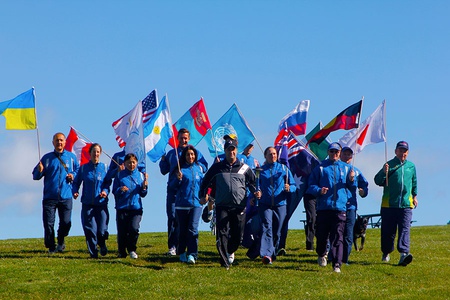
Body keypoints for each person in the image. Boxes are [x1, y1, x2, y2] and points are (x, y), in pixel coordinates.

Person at [200, 138, 257, 269]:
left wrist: (256, 192)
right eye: (228, 150)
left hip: (239, 206)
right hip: (222, 205)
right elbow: (205, 181)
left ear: (236, 151)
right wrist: (203, 196)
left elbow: (253, 183)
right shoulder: (217, 167)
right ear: (225, 151)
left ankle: (230, 250)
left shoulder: (244, 168)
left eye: (233, 150)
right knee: (222, 233)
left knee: (237, 237)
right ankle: (224, 261)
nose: (231, 152)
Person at [306, 142, 355, 273]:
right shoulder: (320, 168)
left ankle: (337, 264)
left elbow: (353, 188)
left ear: (340, 153)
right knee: (322, 236)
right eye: (332, 151)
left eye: (337, 152)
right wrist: (319, 190)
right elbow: (310, 185)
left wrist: (351, 180)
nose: (334, 154)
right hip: (323, 208)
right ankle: (322, 254)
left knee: (338, 236)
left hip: (340, 208)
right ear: (328, 152)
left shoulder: (346, 168)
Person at [159, 128, 208, 256]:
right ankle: (172, 246)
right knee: (173, 218)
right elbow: (164, 170)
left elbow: (204, 166)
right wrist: (163, 160)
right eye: (181, 138)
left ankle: (186, 248)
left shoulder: (194, 152)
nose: (183, 140)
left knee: (188, 225)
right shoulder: (172, 153)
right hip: (173, 192)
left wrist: (200, 168)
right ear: (177, 138)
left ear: (189, 138)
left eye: (185, 138)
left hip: (190, 193)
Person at [32, 132, 79, 254]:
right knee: (48, 224)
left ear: (65, 142)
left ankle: (61, 240)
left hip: (66, 196)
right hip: (50, 197)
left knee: (66, 222)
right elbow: (35, 176)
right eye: (57, 140)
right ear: (53, 142)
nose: (59, 142)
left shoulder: (71, 157)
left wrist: (72, 175)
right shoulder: (46, 158)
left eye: (61, 140)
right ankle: (51, 247)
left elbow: (78, 171)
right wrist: (39, 171)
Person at [374, 141, 417, 266]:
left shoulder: (411, 166)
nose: (402, 153)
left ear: (407, 152)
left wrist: (415, 196)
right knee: (388, 231)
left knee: (405, 228)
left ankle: (404, 254)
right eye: (400, 150)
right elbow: (377, 180)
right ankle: (386, 252)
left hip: (405, 204)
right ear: (395, 151)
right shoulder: (389, 164)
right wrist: (384, 172)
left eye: (404, 150)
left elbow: (414, 182)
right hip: (389, 204)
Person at [255, 147, 296, 265]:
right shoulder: (260, 171)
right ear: (265, 156)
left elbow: (293, 185)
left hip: (280, 204)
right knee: (267, 226)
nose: (272, 156)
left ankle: (273, 252)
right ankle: (266, 254)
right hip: (265, 204)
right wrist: (256, 193)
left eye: (274, 154)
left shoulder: (284, 169)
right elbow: (255, 186)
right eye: (270, 154)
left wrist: (289, 188)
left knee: (277, 231)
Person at [72, 143, 110, 258]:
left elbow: (107, 183)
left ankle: (102, 243)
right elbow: (76, 182)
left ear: (100, 153)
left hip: (101, 204)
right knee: (90, 230)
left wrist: (105, 191)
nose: (96, 154)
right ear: (90, 153)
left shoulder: (104, 167)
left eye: (98, 152)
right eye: (94, 151)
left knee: (102, 231)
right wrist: (75, 191)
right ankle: (93, 253)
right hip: (87, 204)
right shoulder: (84, 168)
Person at [169, 145, 204, 264]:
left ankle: (192, 254)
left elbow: (203, 185)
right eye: (188, 154)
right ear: (184, 156)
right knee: (183, 230)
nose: (190, 156)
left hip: (196, 204)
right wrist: (178, 179)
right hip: (182, 204)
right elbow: (172, 187)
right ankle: (182, 252)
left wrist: (206, 195)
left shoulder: (199, 168)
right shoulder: (180, 170)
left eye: (192, 154)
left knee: (193, 229)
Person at [113, 153, 148, 259]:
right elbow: (114, 191)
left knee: (134, 229)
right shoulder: (119, 175)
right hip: (122, 208)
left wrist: (144, 188)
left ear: (136, 163)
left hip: (136, 208)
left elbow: (144, 194)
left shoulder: (141, 176)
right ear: (125, 163)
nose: (131, 164)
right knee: (122, 231)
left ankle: (132, 249)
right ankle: (122, 251)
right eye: (129, 162)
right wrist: (120, 190)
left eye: (133, 162)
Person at [340, 146, 369, 264]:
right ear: (340, 154)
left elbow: (364, 185)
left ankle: (345, 259)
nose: (347, 156)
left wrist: (363, 192)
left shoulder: (356, 171)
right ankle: (332, 256)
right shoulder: (335, 168)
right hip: (337, 206)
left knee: (348, 233)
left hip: (351, 207)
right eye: (345, 154)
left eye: (349, 154)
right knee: (336, 233)